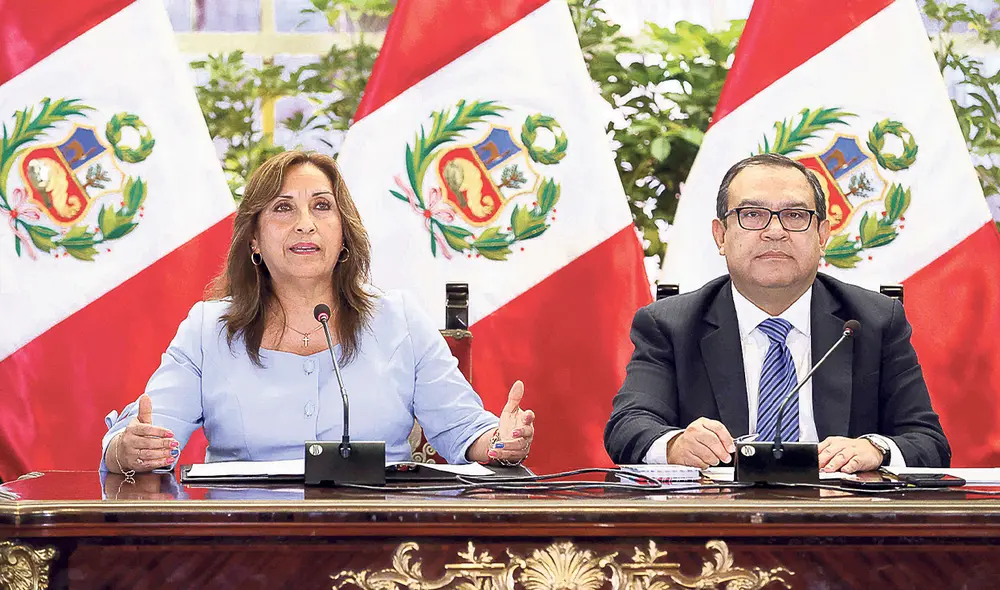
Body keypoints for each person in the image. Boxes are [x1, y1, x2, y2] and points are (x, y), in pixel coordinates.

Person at [102, 151, 535, 474]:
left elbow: (465, 430)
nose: (305, 224)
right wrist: (128, 448)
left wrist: (501, 440)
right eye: (283, 208)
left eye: (322, 206)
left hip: (382, 539)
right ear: (253, 238)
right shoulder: (207, 330)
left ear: (343, 233)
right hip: (240, 544)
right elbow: (149, 433)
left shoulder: (399, 319)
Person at [604, 153, 949, 473]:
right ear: (721, 235)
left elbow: (928, 442)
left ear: (822, 235)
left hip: (843, 523)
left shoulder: (873, 322)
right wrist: (675, 444)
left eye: (795, 216)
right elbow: (628, 426)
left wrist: (876, 449)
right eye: (752, 214)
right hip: (715, 523)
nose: (774, 231)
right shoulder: (670, 325)